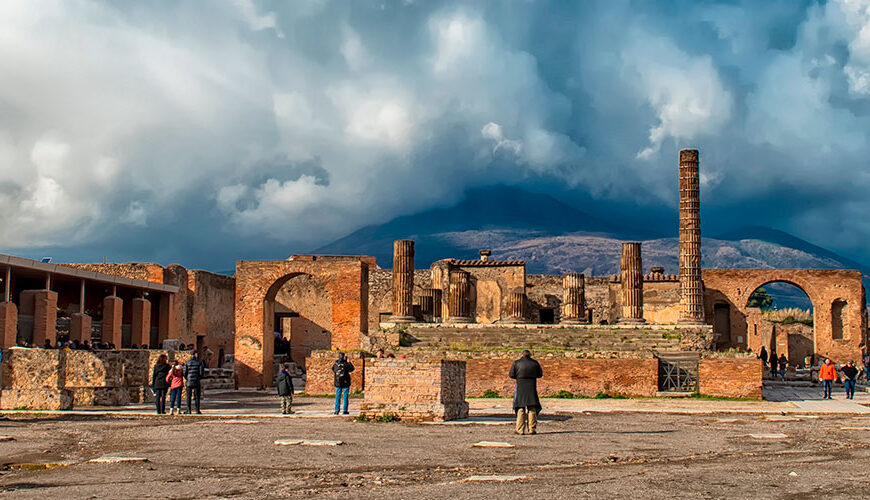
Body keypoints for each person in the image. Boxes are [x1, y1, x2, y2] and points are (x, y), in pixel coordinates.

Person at [509, 349, 543, 435]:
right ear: (530, 355)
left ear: (521, 355)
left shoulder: (516, 363)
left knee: (521, 408)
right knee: (532, 408)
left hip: (521, 385)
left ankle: (520, 429)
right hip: (531, 385)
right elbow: (540, 374)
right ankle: (532, 429)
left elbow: (511, 375)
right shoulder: (535, 363)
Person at [184, 350, 205, 414]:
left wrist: (187, 378)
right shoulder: (199, 362)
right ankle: (197, 410)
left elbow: (184, 372)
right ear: (195, 354)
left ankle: (188, 410)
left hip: (189, 381)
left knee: (188, 396)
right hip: (196, 380)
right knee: (197, 396)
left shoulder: (187, 363)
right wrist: (199, 378)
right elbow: (201, 373)